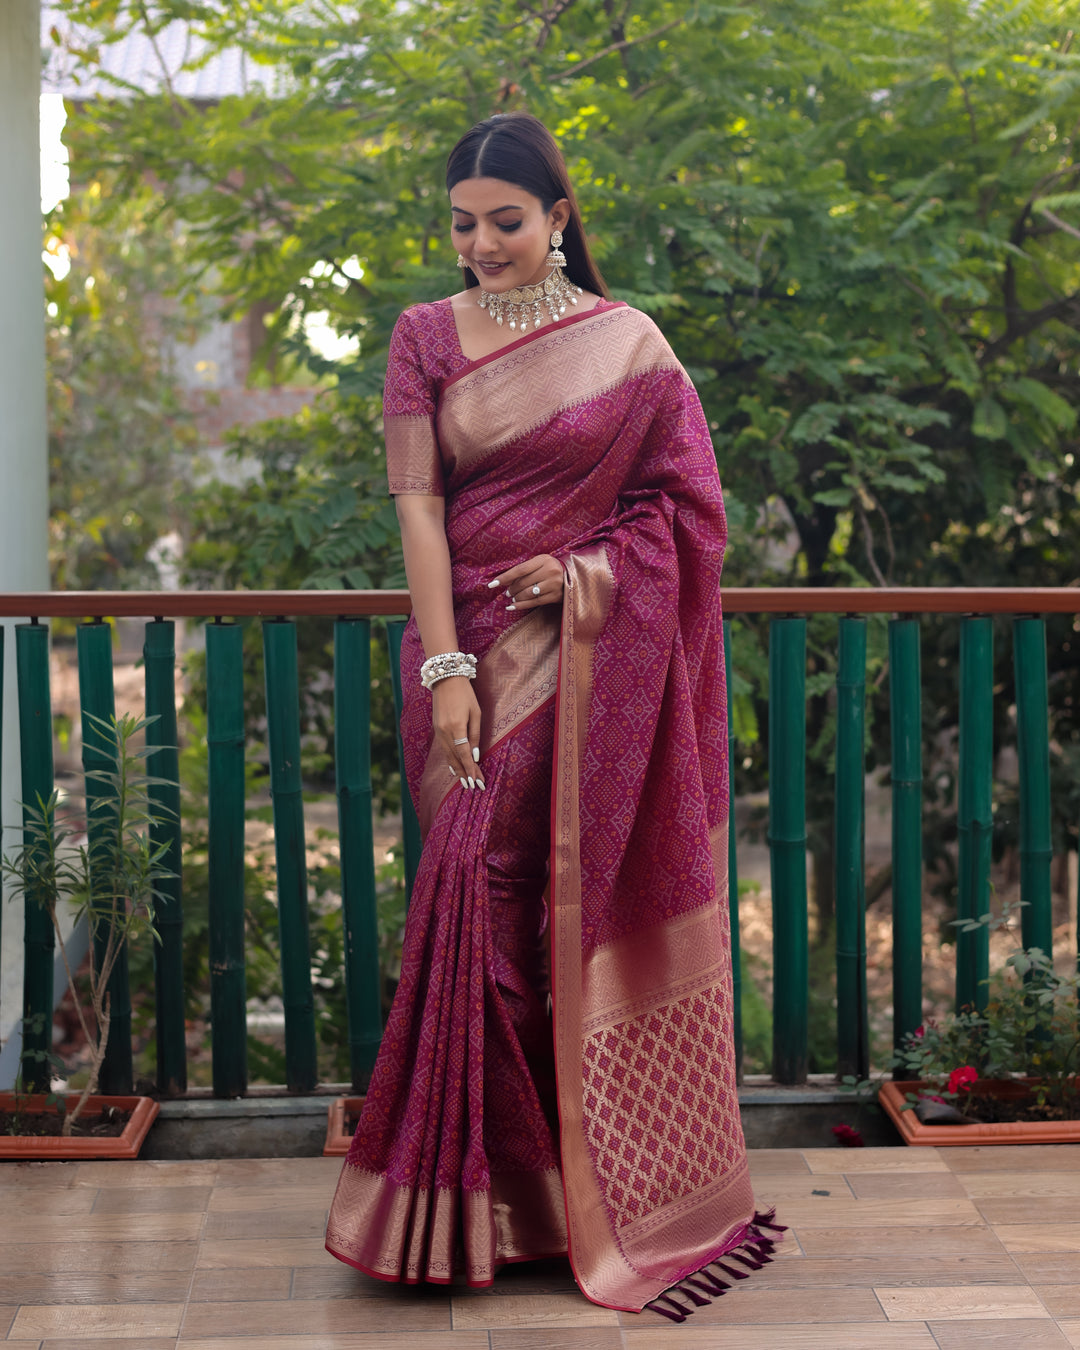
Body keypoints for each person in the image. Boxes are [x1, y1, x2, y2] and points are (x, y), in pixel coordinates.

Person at [325, 111, 782, 1321]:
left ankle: (547, 1197)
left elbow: (689, 511)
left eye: (507, 222)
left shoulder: (629, 346)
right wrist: (445, 668)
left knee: (522, 899)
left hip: (576, 655)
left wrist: (586, 580)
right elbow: (420, 512)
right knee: (474, 891)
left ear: (562, 218)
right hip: (463, 656)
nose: (481, 244)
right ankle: (482, 1195)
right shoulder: (423, 337)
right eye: (463, 223)